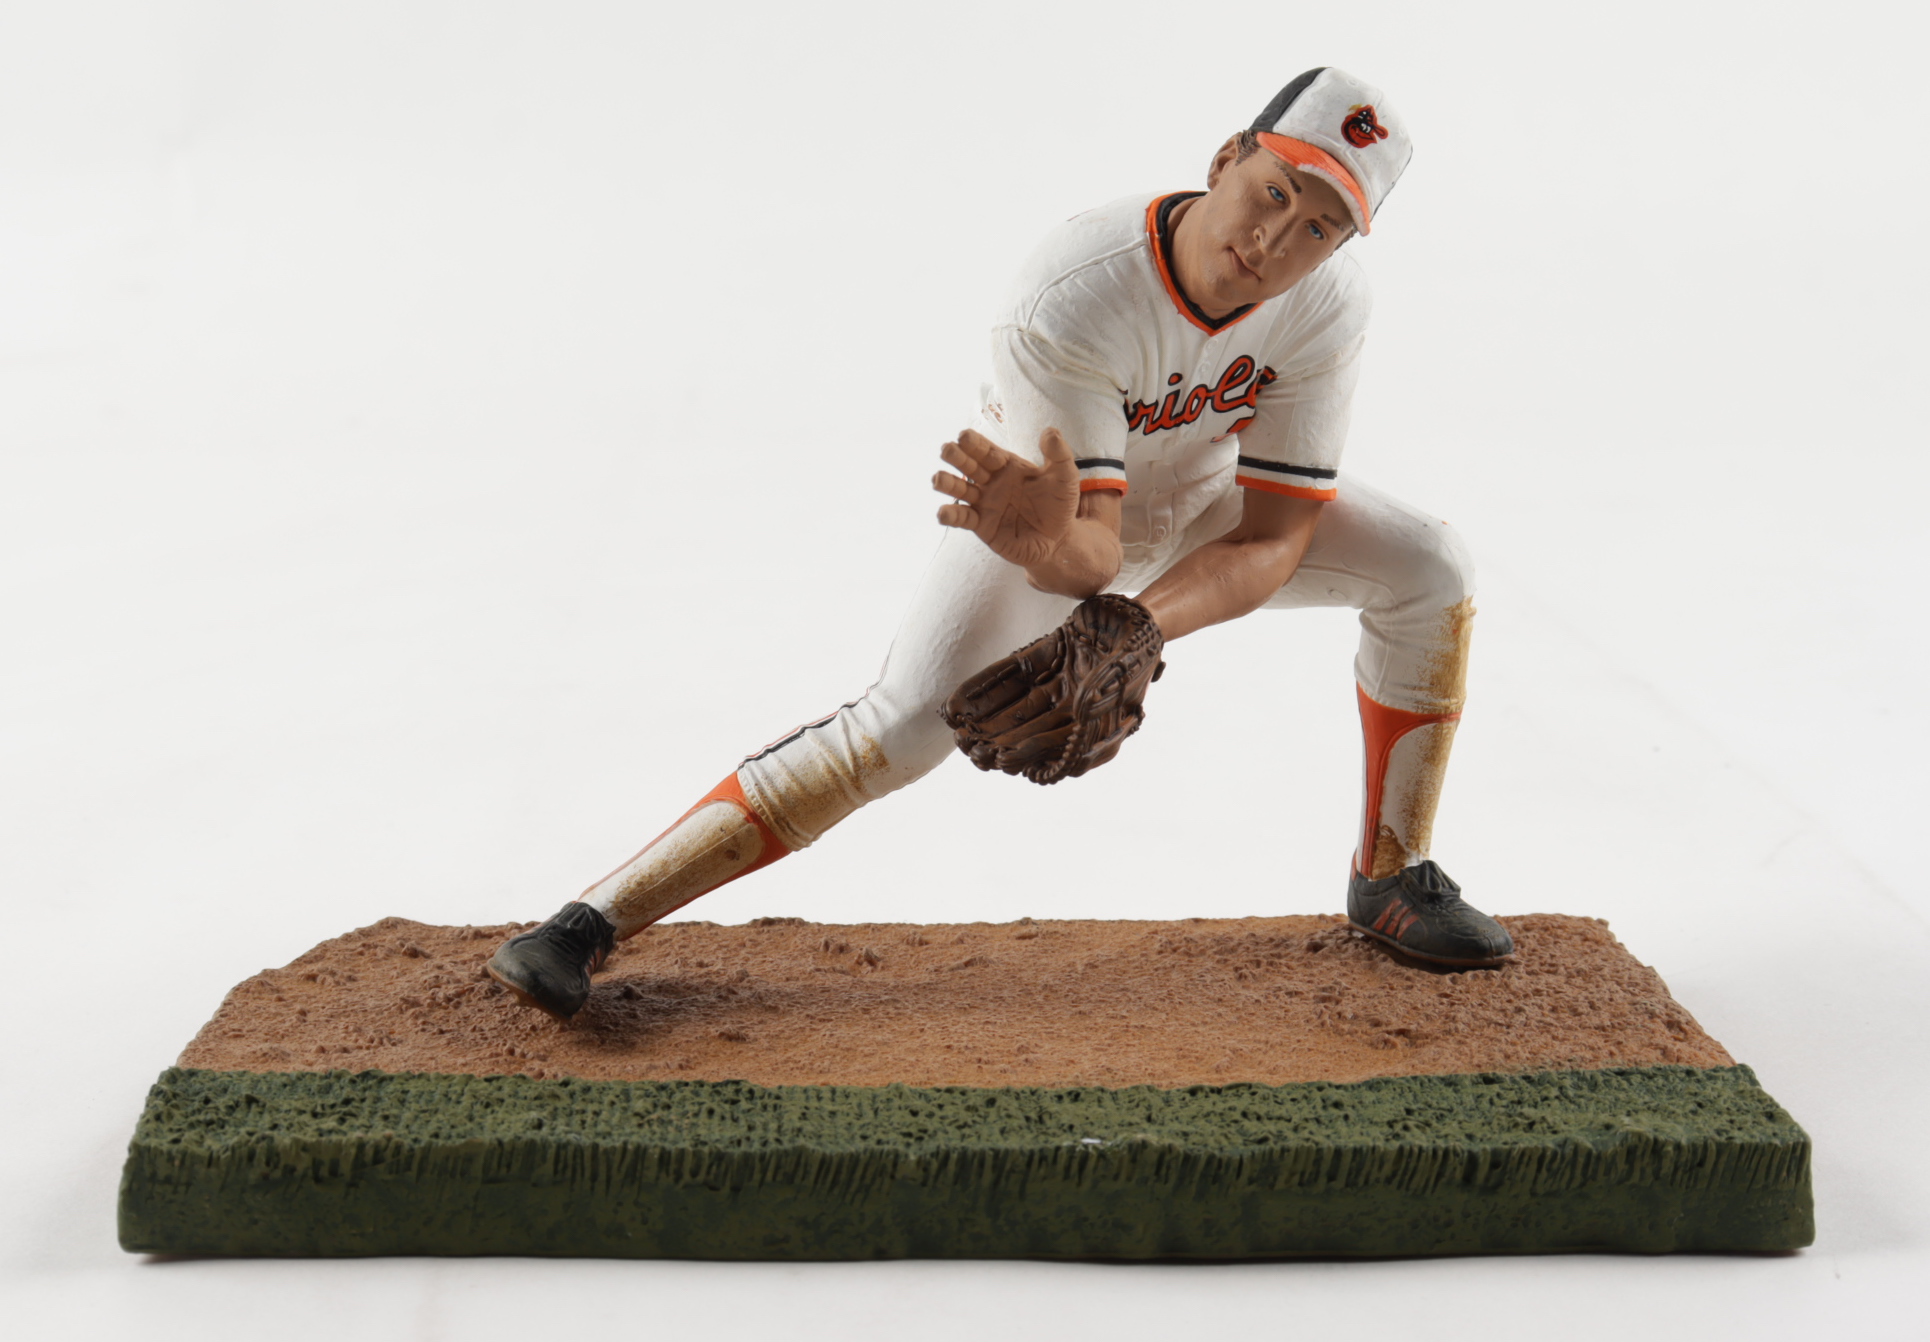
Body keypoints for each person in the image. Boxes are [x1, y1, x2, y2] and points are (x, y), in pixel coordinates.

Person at [485, 66, 1512, 1022]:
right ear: (1224, 160)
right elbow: (1091, 553)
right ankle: (585, 924)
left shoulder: (1327, 304)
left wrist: (1141, 626)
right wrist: (1072, 575)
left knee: (1433, 569)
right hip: (1036, 519)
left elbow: (1276, 531)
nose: (1278, 237)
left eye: (1319, 226)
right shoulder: (1079, 287)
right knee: (898, 731)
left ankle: (1391, 875)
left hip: (1206, 513)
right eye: (1275, 191)